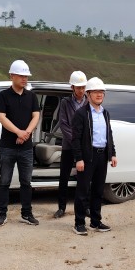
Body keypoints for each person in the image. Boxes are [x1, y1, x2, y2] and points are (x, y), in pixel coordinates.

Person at [0, 59, 41, 227]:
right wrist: (18, 132)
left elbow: (36, 116)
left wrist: (26, 133)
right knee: (4, 181)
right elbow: (1, 117)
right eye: (21, 76)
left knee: (26, 182)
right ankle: (1, 214)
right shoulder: (3, 95)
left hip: (26, 147)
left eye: (26, 76)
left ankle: (27, 213)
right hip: (7, 146)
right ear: (12, 76)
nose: (24, 79)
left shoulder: (31, 96)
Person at [71, 77, 117, 235]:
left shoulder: (105, 113)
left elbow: (109, 134)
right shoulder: (81, 114)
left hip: (102, 156)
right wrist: (79, 158)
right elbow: (75, 139)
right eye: (95, 92)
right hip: (87, 157)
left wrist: (113, 154)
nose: (99, 94)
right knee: (82, 191)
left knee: (98, 191)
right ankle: (79, 223)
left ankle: (95, 222)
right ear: (88, 94)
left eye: (101, 92)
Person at [53, 71, 88, 218]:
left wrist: (82, 142)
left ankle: (84, 207)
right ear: (72, 87)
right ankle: (61, 208)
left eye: (83, 87)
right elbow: (63, 123)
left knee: (84, 178)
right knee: (64, 177)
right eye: (78, 87)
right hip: (69, 145)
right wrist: (75, 141)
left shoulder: (89, 102)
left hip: (84, 146)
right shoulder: (65, 103)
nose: (81, 90)